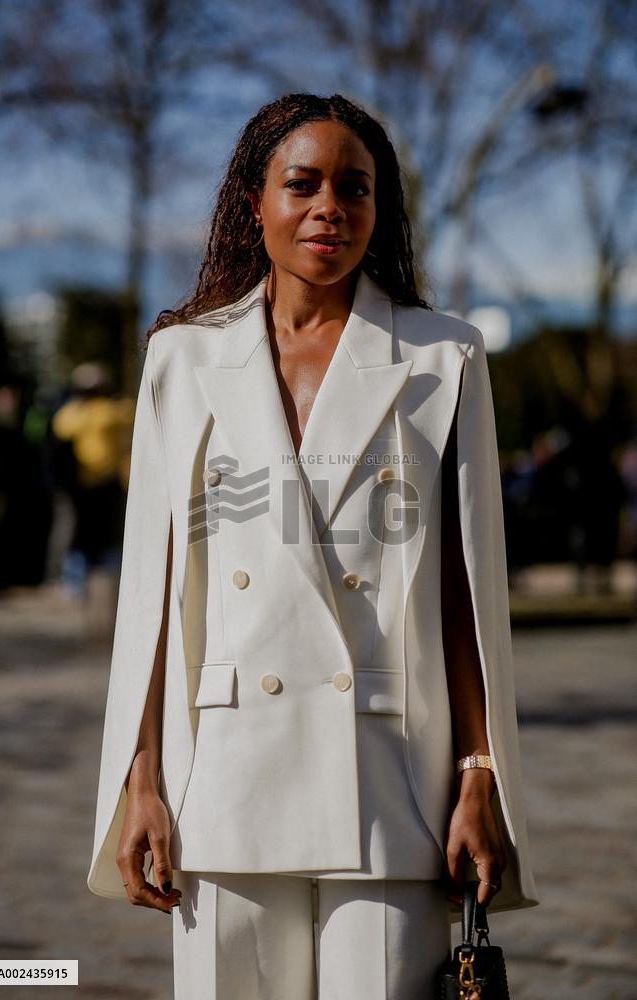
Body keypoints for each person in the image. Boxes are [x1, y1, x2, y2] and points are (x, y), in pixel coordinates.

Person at [87, 93, 540, 999]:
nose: (331, 206)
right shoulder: (182, 358)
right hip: (222, 775)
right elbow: (155, 594)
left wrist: (480, 777)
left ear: (381, 210)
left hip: (391, 777)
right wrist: (141, 782)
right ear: (254, 204)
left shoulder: (442, 358)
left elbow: (467, 597)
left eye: (356, 188)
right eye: (303, 183)